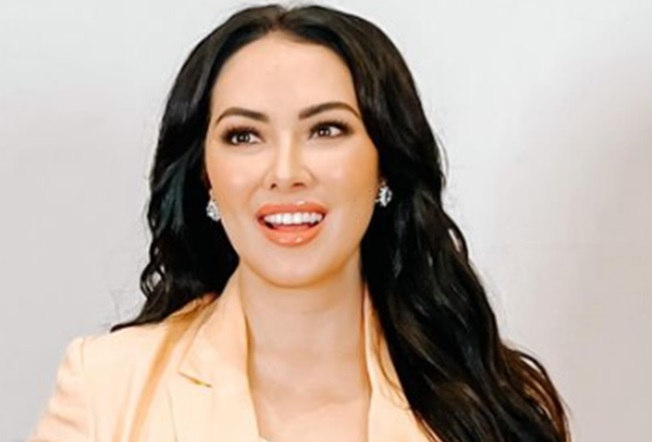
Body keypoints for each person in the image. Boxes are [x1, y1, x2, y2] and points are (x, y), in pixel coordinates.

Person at [31, 4, 570, 442]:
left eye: (326, 130)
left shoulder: (496, 406)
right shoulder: (107, 387)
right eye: (244, 136)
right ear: (205, 176)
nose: (286, 172)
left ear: (385, 162)